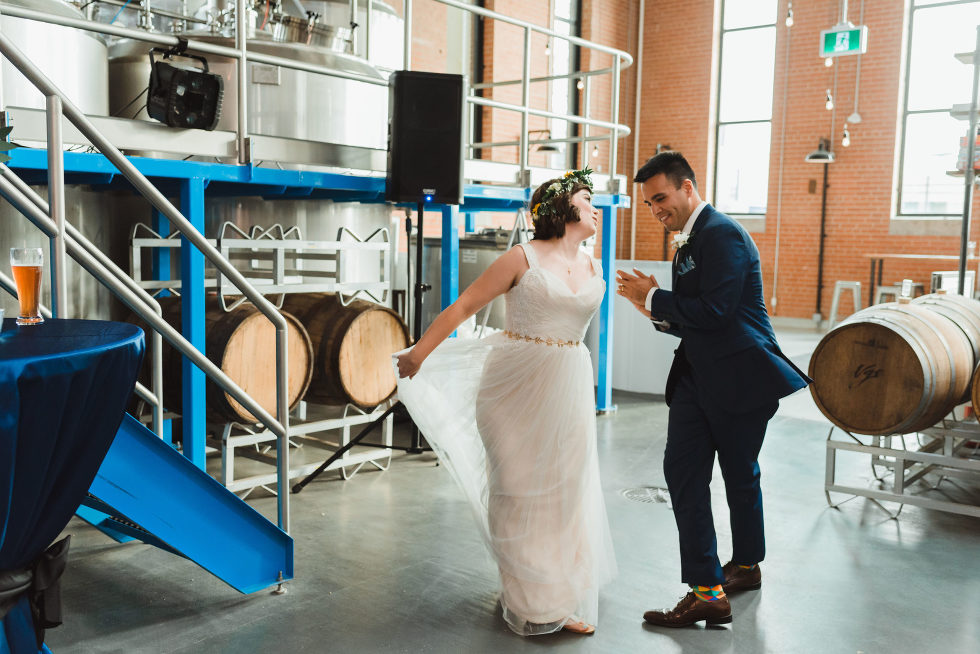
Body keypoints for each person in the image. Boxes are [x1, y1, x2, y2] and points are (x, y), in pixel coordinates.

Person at [395, 169, 616, 637]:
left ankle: (557, 595)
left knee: (563, 493)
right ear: (561, 208)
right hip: (512, 388)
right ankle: (528, 597)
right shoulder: (521, 257)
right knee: (516, 489)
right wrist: (419, 353)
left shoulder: (594, 263)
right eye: (585, 197)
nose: (595, 206)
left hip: (569, 386)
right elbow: (462, 308)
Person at [616, 152, 811, 628]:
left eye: (661, 198)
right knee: (684, 474)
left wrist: (655, 297)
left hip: (741, 377)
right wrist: (656, 311)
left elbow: (718, 313)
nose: (656, 209)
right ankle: (707, 589)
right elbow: (697, 317)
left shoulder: (721, 234)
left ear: (687, 187)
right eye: (648, 203)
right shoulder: (691, 238)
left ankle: (745, 566)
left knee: (740, 476)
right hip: (697, 379)